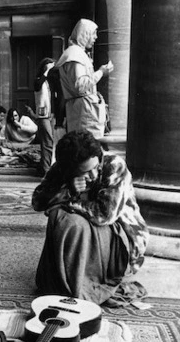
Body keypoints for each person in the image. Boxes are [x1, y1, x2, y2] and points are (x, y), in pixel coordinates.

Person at [31, 131, 149, 306]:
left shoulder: (113, 165)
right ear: (70, 170)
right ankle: (67, 279)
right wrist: (68, 189)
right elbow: (37, 202)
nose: (94, 175)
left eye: (96, 167)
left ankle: (81, 286)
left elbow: (104, 215)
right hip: (95, 229)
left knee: (72, 222)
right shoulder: (62, 168)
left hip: (123, 240)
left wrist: (69, 199)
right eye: (85, 172)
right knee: (58, 215)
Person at [55, 19, 114, 139]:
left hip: (84, 110)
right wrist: (101, 72)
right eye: (93, 33)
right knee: (86, 149)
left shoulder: (77, 53)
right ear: (84, 34)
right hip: (84, 112)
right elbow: (80, 86)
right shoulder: (74, 54)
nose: (96, 37)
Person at [26, 57, 57, 175]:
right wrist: (46, 72)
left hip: (51, 115)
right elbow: (38, 85)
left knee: (50, 142)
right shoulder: (38, 80)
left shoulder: (50, 82)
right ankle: (46, 170)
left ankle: (47, 167)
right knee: (47, 142)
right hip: (43, 115)